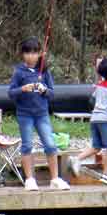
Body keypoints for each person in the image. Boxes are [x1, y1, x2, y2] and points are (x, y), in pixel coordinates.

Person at [8, 37, 70, 191]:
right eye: (27, 53)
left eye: (34, 53)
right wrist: (23, 89)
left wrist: (44, 90)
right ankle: (30, 179)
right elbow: (11, 93)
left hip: (42, 114)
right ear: (23, 54)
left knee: (50, 144)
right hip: (25, 115)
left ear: (40, 54)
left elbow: (52, 94)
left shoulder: (44, 71)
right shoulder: (19, 72)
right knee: (27, 145)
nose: (31, 56)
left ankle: (55, 179)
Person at [68, 58, 107, 185]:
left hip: (95, 119)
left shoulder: (99, 86)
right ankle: (106, 174)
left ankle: (76, 159)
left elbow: (92, 100)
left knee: (97, 146)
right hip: (106, 119)